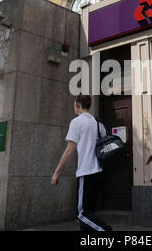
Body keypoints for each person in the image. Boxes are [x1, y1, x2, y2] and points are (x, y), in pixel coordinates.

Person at [51, 95, 112, 231]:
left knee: (82, 214)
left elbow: (69, 150)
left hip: (86, 171)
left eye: (74, 104)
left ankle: (106, 231)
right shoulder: (98, 123)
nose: (74, 107)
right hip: (98, 172)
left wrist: (57, 172)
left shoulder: (76, 122)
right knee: (89, 213)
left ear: (78, 105)